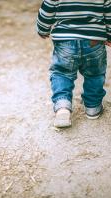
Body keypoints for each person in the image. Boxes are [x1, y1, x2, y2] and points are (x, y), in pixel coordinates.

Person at [36, 0, 111, 128]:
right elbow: (109, 14)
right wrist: (109, 35)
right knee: (95, 74)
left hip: (65, 40)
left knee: (62, 73)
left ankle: (62, 106)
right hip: (94, 40)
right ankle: (93, 107)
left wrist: (43, 29)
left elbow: (47, 11)